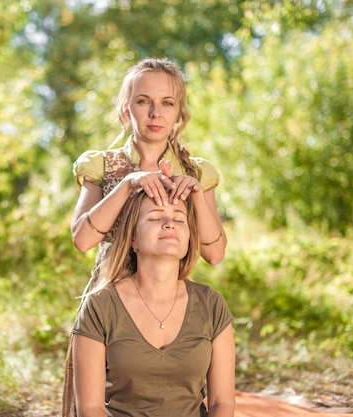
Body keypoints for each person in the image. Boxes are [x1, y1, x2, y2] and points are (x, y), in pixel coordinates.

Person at [63, 57, 228, 417]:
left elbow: (214, 253)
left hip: (167, 292)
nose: (155, 112)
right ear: (127, 108)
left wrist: (197, 194)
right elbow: (82, 239)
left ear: (179, 112)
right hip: (110, 303)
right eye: (143, 101)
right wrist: (127, 185)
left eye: (167, 103)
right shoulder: (103, 166)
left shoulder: (196, 171)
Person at [72, 190, 236, 417]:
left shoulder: (211, 304)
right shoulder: (100, 305)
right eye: (155, 217)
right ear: (133, 239)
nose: (170, 224)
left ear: (189, 237)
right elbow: (90, 410)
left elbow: (222, 403)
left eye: (179, 219)